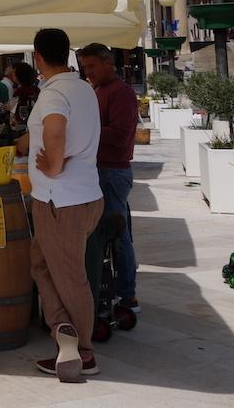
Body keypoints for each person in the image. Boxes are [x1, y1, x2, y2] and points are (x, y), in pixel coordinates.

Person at [17, 28, 104, 381]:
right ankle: (63, 329)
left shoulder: (54, 94)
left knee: (69, 277)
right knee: (40, 265)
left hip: (61, 201)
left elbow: (55, 131)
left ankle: (82, 353)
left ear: (37, 57)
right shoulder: (82, 87)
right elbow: (45, 131)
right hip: (83, 197)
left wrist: (52, 165)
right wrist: (23, 142)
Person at [79, 42, 140, 314]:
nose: (88, 72)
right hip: (99, 170)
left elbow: (121, 135)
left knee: (118, 235)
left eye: (91, 66)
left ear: (107, 62)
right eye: (85, 67)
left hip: (113, 172)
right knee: (104, 233)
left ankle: (128, 295)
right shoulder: (97, 91)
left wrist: (86, 132)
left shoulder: (122, 92)